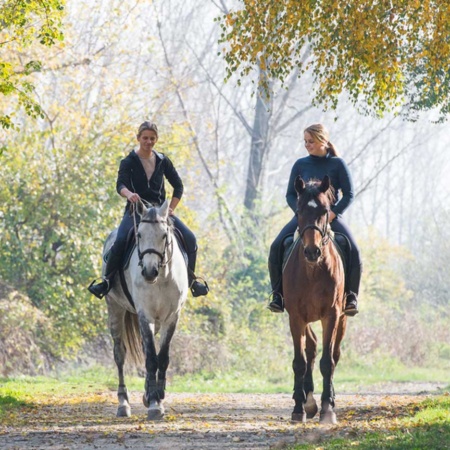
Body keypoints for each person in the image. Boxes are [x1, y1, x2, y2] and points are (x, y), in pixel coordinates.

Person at [88, 121, 209, 299]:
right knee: (121, 239)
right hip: (136, 211)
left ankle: (192, 280)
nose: (148, 141)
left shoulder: (163, 161)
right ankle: (106, 280)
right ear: (138, 138)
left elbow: (178, 186)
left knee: (190, 238)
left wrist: (171, 209)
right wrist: (129, 194)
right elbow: (120, 184)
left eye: (152, 138)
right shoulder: (128, 161)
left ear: (156, 140)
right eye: (145, 138)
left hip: (160, 213)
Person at [267, 123, 361, 316]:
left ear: (322, 141)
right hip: (305, 220)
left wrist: (333, 214)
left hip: (330, 218)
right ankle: (278, 295)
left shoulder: (338, 164)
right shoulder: (300, 164)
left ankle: (351, 296)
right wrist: (301, 213)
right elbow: (290, 195)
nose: (307, 145)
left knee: (355, 250)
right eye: (305, 141)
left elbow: (349, 194)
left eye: (310, 141)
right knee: (276, 246)